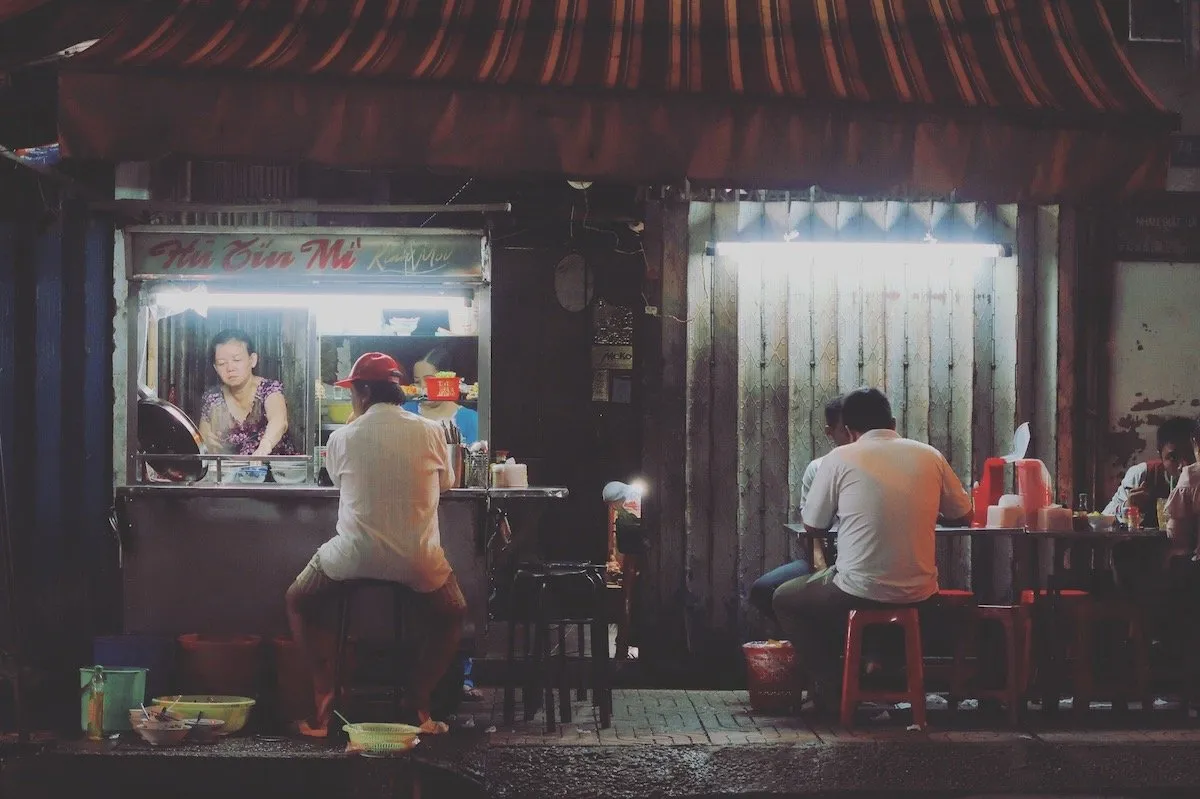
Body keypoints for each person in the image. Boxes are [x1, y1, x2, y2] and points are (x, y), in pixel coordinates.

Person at [284, 352, 464, 737]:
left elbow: (335, 481)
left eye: (353, 392)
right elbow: (447, 483)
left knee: (298, 600)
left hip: (352, 556)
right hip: (419, 559)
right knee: (453, 614)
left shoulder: (343, 436)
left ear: (363, 391)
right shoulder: (432, 431)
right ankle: (417, 702)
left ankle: (325, 694)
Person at [772, 387, 972, 712]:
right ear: (893, 422)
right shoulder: (929, 455)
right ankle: (872, 679)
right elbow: (963, 514)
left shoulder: (839, 456)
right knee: (856, 592)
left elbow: (813, 526)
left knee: (784, 598)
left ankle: (833, 689)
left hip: (858, 590)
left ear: (849, 431)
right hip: (922, 596)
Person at [749, 396, 850, 622]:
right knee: (763, 589)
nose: (851, 435)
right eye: (844, 429)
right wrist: (821, 569)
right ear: (830, 432)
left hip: (859, 561)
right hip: (825, 557)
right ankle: (809, 646)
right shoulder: (818, 468)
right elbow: (810, 530)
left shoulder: (872, 467)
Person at [198, 329, 295, 457]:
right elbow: (202, 436)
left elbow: (279, 420)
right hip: (229, 474)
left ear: (252, 360)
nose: (230, 368)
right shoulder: (212, 398)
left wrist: (265, 446)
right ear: (216, 368)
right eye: (222, 363)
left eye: (237, 360)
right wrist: (206, 442)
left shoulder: (269, 389)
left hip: (276, 473)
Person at [1103, 416, 1196, 528]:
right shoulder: (1142, 475)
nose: (1183, 466)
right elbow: (1104, 519)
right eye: (1173, 457)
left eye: (1190, 455)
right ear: (1160, 454)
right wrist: (1127, 506)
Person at [403, 345, 480, 444]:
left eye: (429, 380)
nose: (423, 386)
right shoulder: (404, 412)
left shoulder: (470, 418)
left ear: (447, 378)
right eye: (417, 381)